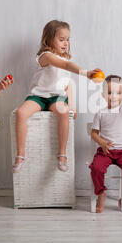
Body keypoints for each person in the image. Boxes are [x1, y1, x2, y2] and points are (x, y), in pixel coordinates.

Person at [13, 20, 101, 173]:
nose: (65, 43)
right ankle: (21, 155)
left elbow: (67, 84)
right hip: (39, 96)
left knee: (64, 112)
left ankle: (62, 155)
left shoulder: (66, 60)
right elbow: (65, 66)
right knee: (21, 113)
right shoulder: (45, 56)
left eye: (67, 39)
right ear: (49, 39)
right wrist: (86, 73)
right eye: (61, 39)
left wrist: (71, 104)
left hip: (57, 98)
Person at [89, 75, 122, 213]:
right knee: (96, 168)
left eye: (118, 93)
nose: (113, 96)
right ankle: (101, 193)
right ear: (102, 95)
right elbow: (94, 133)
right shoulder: (100, 113)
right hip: (105, 151)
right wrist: (102, 142)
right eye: (109, 92)